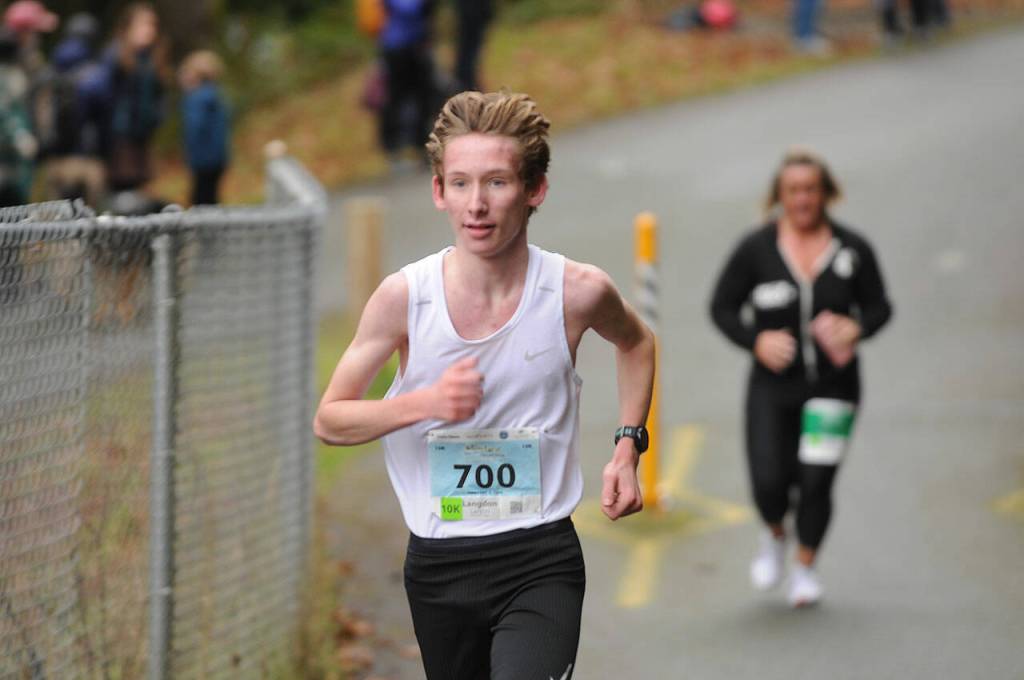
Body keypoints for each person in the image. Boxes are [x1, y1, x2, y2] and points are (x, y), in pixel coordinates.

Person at [315, 91, 655, 679]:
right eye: (462, 184)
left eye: (496, 183)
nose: (478, 205)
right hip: (440, 565)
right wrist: (425, 403)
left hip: (539, 556)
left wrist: (628, 447)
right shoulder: (406, 298)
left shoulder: (577, 291)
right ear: (439, 191)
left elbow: (637, 343)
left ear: (534, 189)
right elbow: (330, 419)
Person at [709, 148, 892, 607]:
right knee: (769, 480)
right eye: (793, 190)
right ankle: (774, 535)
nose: (803, 199)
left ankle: (805, 568)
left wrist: (857, 328)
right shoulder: (756, 249)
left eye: (811, 189)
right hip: (773, 388)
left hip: (835, 386)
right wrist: (757, 342)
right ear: (780, 196)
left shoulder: (851, 248)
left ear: (825, 193)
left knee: (816, 480)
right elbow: (722, 307)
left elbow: (880, 306)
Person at [101, 3, 168, 194]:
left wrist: (156, 117)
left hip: (143, 135)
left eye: (152, 25)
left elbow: (157, 95)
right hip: (120, 137)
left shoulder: (151, 59)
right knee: (122, 189)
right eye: (143, 25)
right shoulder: (116, 56)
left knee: (139, 190)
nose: (149, 30)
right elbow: (104, 97)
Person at [44, 12, 107, 206]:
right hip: (87, 160)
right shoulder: (96, 75)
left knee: (56, 228)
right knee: (87, 225)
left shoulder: (51, 71)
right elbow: (105, 118)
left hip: (56, 161)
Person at [377, 0, 438, 171]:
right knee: (396, 98)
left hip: (417, 47)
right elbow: (409, 9)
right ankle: (393, 149)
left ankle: (422, 147)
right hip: (397, 48)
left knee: (424, 97)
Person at [179, 50, 230, 206]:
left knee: (200, 201)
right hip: (218, 158)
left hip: (203, 160)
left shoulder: (196, 99)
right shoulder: (215, 96)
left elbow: (195, 128)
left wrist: (189, 155)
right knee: (211, 198)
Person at [0, 26, 36, 207]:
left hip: (15, 164)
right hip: (8, 164)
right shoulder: (10, 77)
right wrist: (18, 136)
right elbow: (7, 114)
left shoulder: (17, 74)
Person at [453, 0, 494, 92]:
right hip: (472, 11)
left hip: (474, 11)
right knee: (469, 49)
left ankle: (466, 82)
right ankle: (465, 84)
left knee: (471, 48)